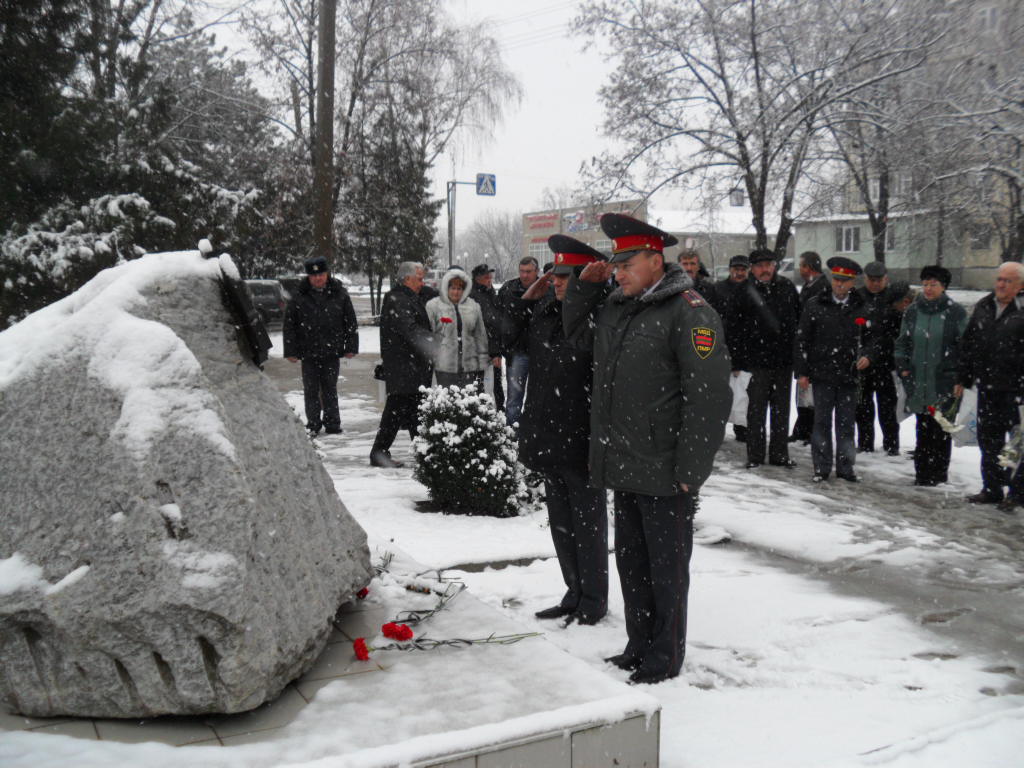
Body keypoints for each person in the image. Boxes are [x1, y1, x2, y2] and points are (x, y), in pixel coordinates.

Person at [563, 213, 731, 685]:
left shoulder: (690, 311)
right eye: (615, 264)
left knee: (667, 570)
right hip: (626, 461)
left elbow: (710, 396)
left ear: (656, 261)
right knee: (632, 563)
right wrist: (584, 286)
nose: (617, 272)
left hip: (665, 467)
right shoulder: (618, 305)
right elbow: (576, 335)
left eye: (626, 263)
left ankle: (664, 656)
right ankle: (638, 644)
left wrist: (690, 469)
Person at [506, 235, 608, 626]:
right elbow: (510, 338)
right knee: (563, 524)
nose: (558, 282)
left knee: (588, 524)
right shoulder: (547, 310)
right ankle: (573, 591)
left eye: (566, 276)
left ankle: (593, 600)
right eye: (555, 275)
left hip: (580, 437)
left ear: (585, 278)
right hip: (548, 434)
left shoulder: (599, 315)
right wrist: (529, 297)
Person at [794, 257, 871, 483]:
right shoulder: (816, 304)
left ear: (852, 283)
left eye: (844, 281)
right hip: (822, 374)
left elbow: (873, 337)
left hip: (849, 375)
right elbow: (802, 339)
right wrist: (803, 372)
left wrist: (868, 355)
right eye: (836, 279)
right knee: (821, 423)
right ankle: (821, 467)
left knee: (846, 424)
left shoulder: (862, 306)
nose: (839, 284)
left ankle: (846, 468)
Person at [956, 261, 1024, 509]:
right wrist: (963, 377)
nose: (1001, 284)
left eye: (1007, 280)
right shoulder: (985, 306)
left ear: (1020, 286)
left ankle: (1017, 494)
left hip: (1017, 391)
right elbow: (968, 343)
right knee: (989, 441)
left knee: (1018, 443)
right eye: (999, 279)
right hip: (988, 387)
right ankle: (992, 488)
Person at [725, 249, 800, 469]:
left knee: (781, 411)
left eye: (768, 264)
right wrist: (737, 362)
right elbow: (732, 330)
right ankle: (755, 455)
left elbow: (797, 322)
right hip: (754, 363)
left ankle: (779, 454)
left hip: (782, 362)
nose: (765, 269)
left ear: (775, 266)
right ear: (752, 268)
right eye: (759, 265)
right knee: (755, 412)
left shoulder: (787, 288)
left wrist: (795, 357)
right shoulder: (742, 292)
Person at [894, 266, 968, 487]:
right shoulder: (913, 311)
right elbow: (902, 342)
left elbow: (966, 347)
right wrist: (903, 365)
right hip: (918, 379)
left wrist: (960, 375)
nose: (927, 288)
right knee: (922, 426)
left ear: (943, 287)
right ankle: (922, 474)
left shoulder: (955, 313)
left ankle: (939, 474)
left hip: (944, 381)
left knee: (941, 427)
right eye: (925, 284)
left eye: (933, 284)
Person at [283, 255, 358, 437]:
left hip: (332, 350)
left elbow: (350, 322)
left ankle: (333, 423)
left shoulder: (339, 293)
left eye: (321, 274)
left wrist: (350, 347)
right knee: (311, 390)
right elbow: (290, 325)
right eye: (314, 275)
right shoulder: (299, 296)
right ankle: (313, 424)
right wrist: (291, 351)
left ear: (327, 274)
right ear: (309, 277)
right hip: (308, 352)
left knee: (330, 388)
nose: (318, 278)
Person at [370, 262, 435, 468]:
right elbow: (409, 329)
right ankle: (381, 452)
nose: (422, 283)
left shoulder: (407, 297)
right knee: (399, 409)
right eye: (419, 279)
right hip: (404, 365)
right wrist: (434, 341)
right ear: (407, 279)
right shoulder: (398, 299)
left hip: (409, 365)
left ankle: (421, 452)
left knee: (411, 409)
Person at [856, 261, 902, 456]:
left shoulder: (894, 299)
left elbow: (893, 333)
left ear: (886, 279)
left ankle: (891, 445)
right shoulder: (857, 297)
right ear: (865, 279)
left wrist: (873, 353)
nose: (875, 284)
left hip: (885, 362)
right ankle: (865, 444)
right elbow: (854, 327)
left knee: (887, 407)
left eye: (879, 280)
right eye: (871, 280)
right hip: (861, 363)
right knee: (862, 406)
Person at [425, 267, 491, 388]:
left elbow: (480, 336)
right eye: (453, 288)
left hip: (470, 367)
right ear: (446, 288)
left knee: (469, 403)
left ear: (464, 290)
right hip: (444, 367)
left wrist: (482, 362)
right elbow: (429, 336)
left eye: (459, 288)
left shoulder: (474, 306)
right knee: (447, 403)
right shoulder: (433, 306)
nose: (456, 292)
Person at [790, 251, 831, 443]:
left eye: (802, 265)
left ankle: (810, 430)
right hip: (804, 344)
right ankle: (802, 428)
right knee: (804, 390)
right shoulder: (809, 286)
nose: (800, 269)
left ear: (810, 267)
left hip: (815, 347)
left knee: (813, 392)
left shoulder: (822, 288)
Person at [499, 256, 540, 429]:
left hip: (540, 350)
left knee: (538, 396)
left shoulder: (547, 288)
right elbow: (498, 317)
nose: (524, 275)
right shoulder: (508, 289)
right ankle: (512, 432)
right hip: (516, 350)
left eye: (528, 272)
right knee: (514, 396)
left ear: (536, 272)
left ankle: (534, 431)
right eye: (522, 271)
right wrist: (504, 345)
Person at [714, 254, 751, 442]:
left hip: (748, 347)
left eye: (743, 269)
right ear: (730, 269)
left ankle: (742, 428)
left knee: (744, 394)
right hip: (723, 345)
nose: (739, 272)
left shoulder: (753, 289)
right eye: (736, 269)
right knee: (721, 393)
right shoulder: (719, 289)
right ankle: (718, 429)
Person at [469, 263, 505, 410]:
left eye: (490, 277)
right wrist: (494, 351)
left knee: (494, 382)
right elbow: (487, 325)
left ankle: (496, 410)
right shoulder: (474, 296)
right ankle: (484, 412)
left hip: (492, 347)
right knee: (482, 384)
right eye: (486, 277)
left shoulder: (490, 293)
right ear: (477, 279)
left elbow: (495, 322)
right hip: (482, 349)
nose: (489, 280)